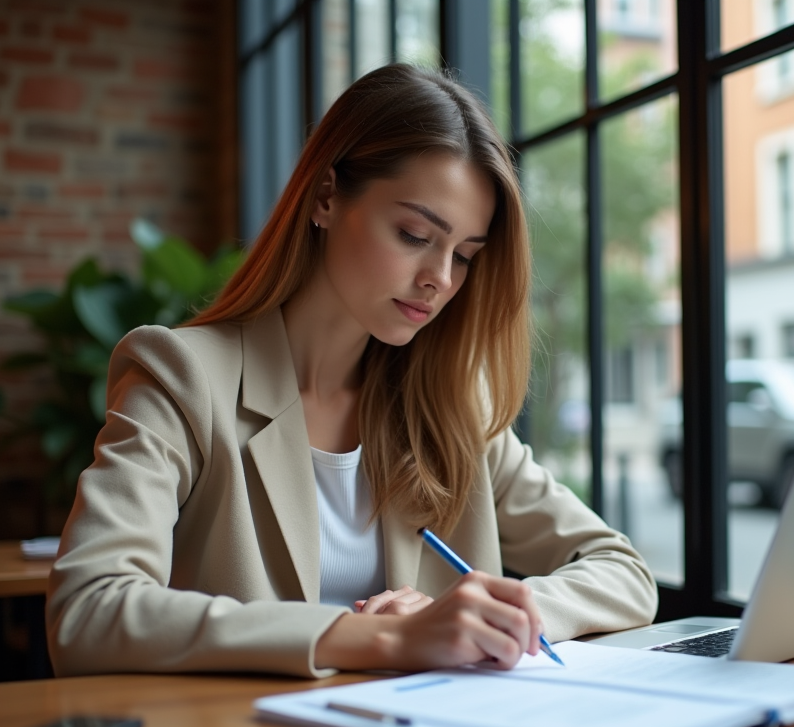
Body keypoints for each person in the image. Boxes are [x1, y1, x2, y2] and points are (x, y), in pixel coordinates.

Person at [46, 64, 657, 679]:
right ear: (325, 197)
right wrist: (376, 639)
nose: (440, 278)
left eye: (465, 256)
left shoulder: (450, 406)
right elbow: (88, 610)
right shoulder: (183, 377)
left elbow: (622, 571)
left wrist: (482, 616)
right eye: (415, 234)